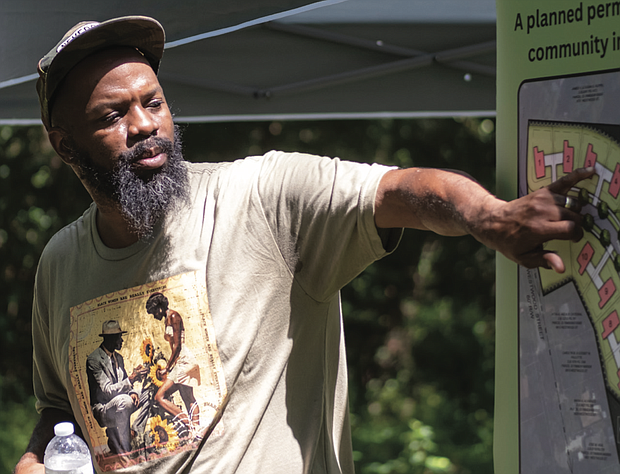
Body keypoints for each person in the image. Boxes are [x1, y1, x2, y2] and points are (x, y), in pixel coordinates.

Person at [15, 15, 593, 474]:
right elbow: (62, 408)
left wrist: (487, 215)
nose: (144, 125)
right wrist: (36, 457)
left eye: (154, 102)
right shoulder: (61, 264)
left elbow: (401, 189)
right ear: (67, 146)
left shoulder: (262, 197)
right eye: (113, 115)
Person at [86, 320, 148, 455]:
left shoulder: (118, 358)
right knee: (124, 401)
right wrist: (132, 379)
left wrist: (132, 392)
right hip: (104, 408)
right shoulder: (94, 360)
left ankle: (134, 431)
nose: (122, 341)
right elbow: (107, 390)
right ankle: (124, 445)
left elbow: (124, 380)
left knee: (149, 393)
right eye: (119, 337)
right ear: (110, 338)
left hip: (120, 401)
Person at [145, 292, 201, 429]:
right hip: (180, 360)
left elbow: (177, 346)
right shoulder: (168, 318)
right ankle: (196, 430)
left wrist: (168, 368)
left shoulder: (174, 316)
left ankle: (190, 426)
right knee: (187, 397)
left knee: (159, 397)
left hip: (183, 360)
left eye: (154, 312)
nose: (154, 316)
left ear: (159, 308)